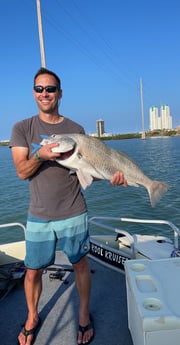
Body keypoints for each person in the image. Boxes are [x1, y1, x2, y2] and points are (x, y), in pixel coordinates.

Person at [10, 67, 127, 345]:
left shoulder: (76, 130)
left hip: (74, 209)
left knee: (80, 264)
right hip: (39, 214)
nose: (45, 93)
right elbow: (22, 171)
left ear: (59, 93)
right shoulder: (22, 128)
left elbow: (88, 171)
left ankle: (84, 315)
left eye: (50, 89)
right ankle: (32, 317)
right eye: (39, 89)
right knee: (33, 271)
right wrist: (41, 154)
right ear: (33, 93)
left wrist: (111, 176)